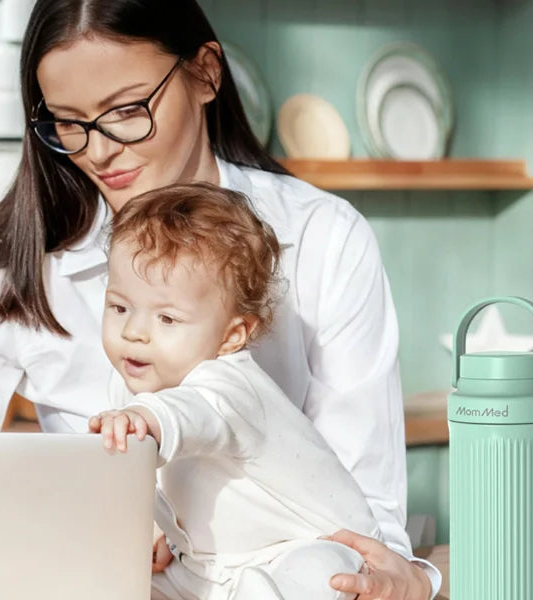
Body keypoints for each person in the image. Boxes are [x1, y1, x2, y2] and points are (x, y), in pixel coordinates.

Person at [0, 0, 438, 597]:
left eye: (127, 110)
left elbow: (369, 527)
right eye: (67, 121)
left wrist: (403, 581)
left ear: (205, 73)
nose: (99, 151)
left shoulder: (322, 237)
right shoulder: (14, 261)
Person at [88, 182, 378, 600]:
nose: (133, 332)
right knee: (123, 582)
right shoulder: (133, 384)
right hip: (209, 563)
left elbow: (189, 414)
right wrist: (156, 525)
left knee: (317, 576)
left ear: (232, 336)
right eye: (119, 308)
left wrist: (145, 420)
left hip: (312, 546)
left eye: (167, 319)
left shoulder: (232, 386)